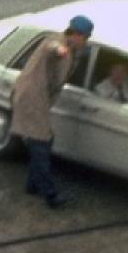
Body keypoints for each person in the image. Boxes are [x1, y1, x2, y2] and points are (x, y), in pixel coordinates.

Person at [14, 14, 92, 208]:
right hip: (32, 98)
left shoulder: (72, 48)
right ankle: (50, 194)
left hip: (39, 99)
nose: (85, 41)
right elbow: (52, 48)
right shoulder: (57, 42)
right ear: (75, 34)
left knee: (44, 141)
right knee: (41, 143)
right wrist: (61, 50)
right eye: (85, 37)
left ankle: (32, 184)